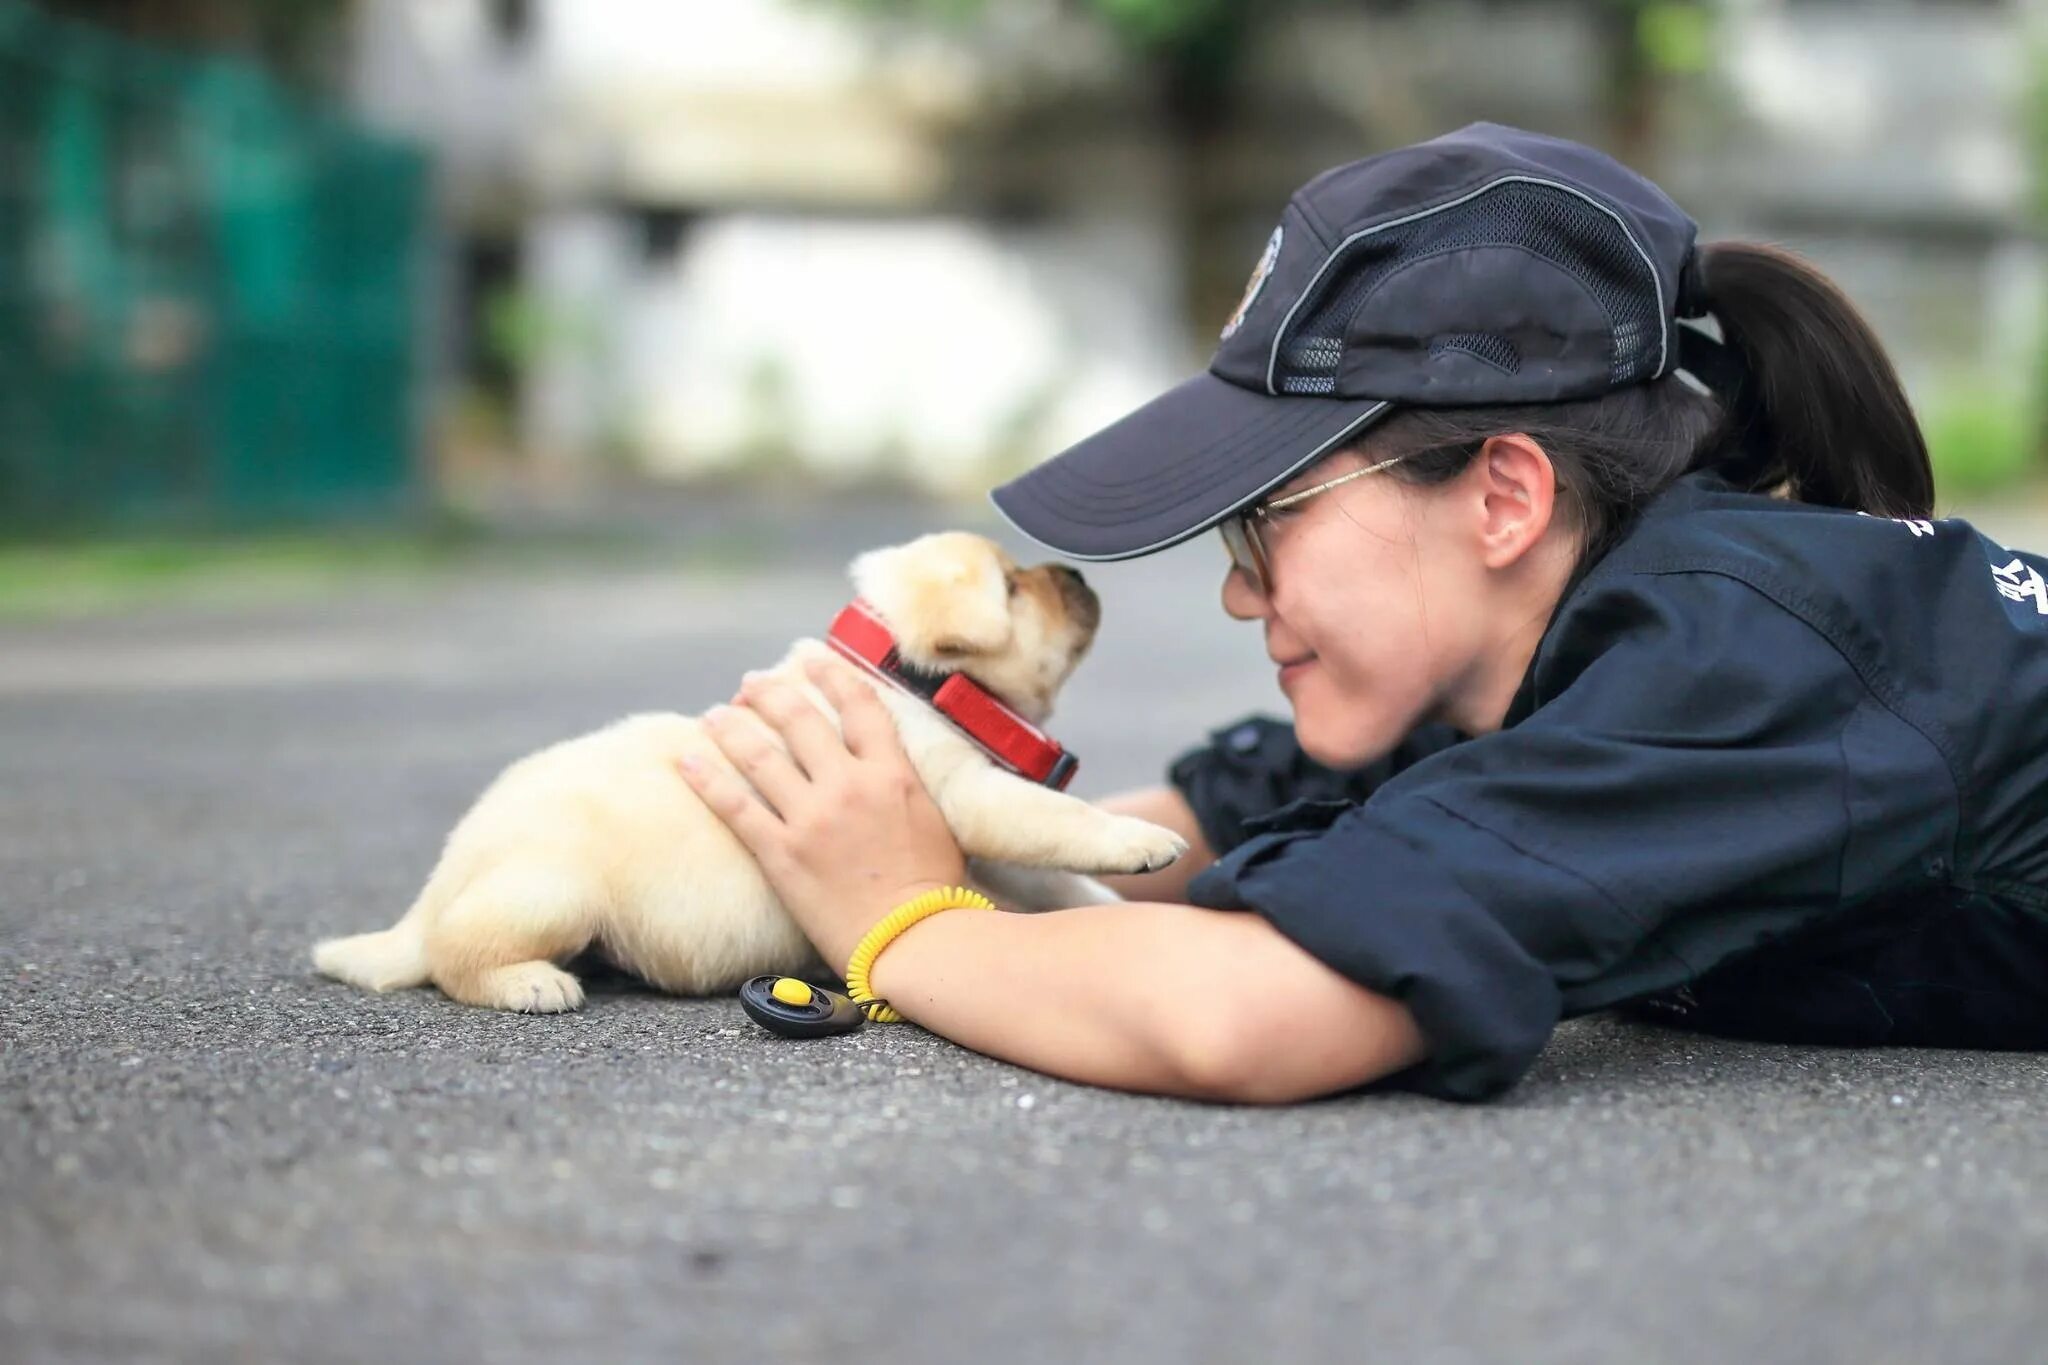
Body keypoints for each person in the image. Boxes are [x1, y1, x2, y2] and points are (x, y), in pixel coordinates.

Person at [676, 122, 2048, 1104]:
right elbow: (1208, 826)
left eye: (1269, 525)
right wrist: (861, 827)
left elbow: (1244, 1012)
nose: (1235, 590)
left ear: (1503, 496)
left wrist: (907, 921)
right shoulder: (1546, 646)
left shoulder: (1734, 660)